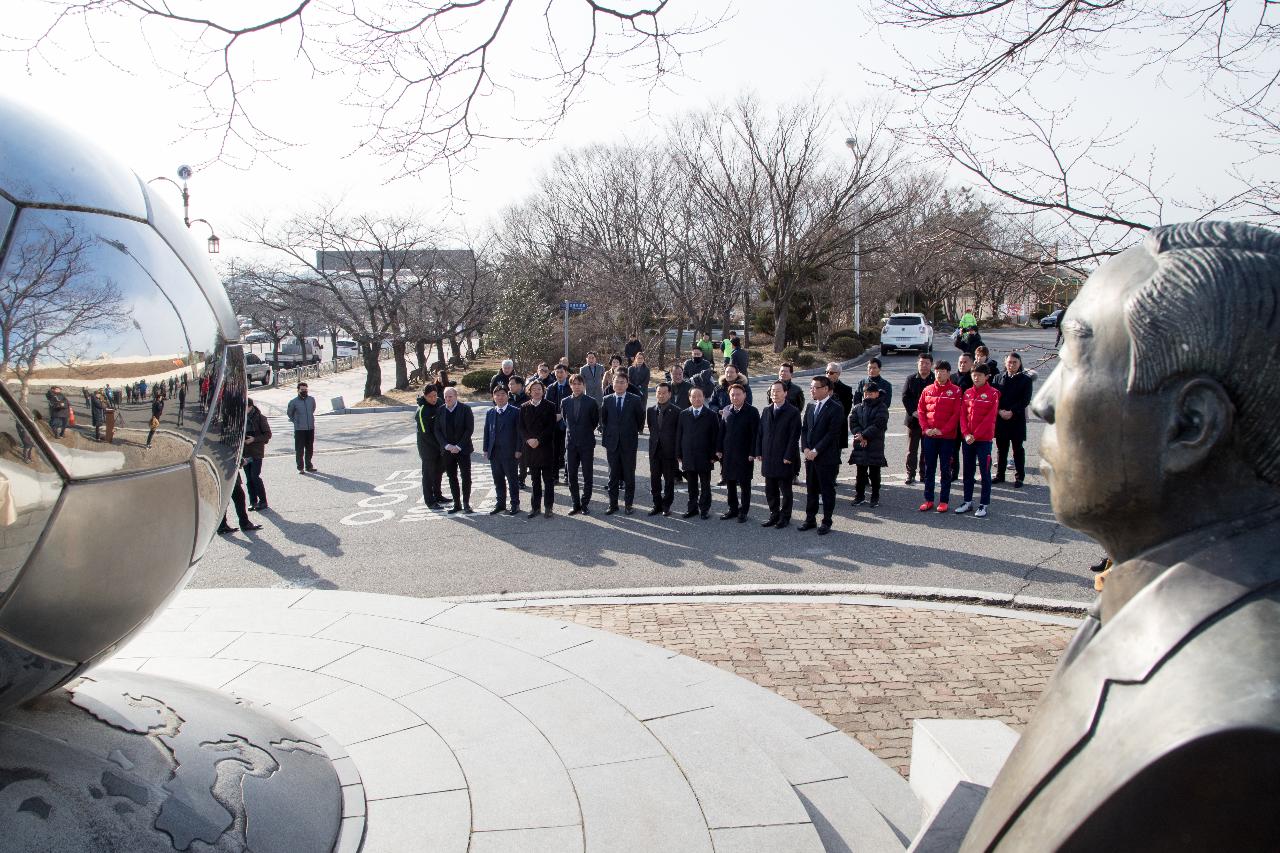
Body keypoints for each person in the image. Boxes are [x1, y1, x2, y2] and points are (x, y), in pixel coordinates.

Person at [798, 375, 844, 535]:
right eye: (811, 387)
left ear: (826, 389)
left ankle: (826, 521)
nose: (812, 390)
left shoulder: (836, 408)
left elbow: (832, 434)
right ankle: (810, 519)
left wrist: (816, 451)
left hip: (826, 457)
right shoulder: (810, 406)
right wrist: (805, 448)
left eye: (815, 387)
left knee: (827, 490)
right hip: (809, 456)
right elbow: (804, 429)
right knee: (811, 489)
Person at [917, 360, 963, 512]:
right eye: (937, 371)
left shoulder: (956, 391)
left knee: (945, 469)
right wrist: (926, 429)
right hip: (929, 436)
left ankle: (944, 500)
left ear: (948, 373)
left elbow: (956, 414)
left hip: (947, 437)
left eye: (943, 371)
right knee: (929, 468)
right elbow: (921, 411)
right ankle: (928, 499)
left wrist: (942, 430)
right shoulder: (927, 390)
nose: (939, 374)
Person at [955, 364, 999, 518]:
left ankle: (983, 504)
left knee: (984, 473)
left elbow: (990, 418)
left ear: (987, 377)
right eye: (974, 374)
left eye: (980, 375)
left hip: (984, 440)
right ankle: (967, 501)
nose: (976, 377)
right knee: (968, 471)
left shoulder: (993, 394)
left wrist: (976, 434)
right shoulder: (967, 393)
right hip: (968, 440)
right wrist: (966, 433)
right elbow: (962, 416)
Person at [756, 380, 802, 528]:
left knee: (785, 491)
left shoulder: (793, 412)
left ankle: (785, 517)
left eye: (778, 391)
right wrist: (758, 452)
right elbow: (760, 433)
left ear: (785, 393)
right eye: (772, 391)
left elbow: (794, 436)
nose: (774, 394)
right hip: (768, 457)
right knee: (770, 490)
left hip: (784, 458)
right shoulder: (766, 410)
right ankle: (773, 514)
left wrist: (789, 456)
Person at [599, 372, 645, 514]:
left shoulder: (635, 399)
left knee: (629, 475)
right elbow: (604, 420)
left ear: (627, 383)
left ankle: (628, 505)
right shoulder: (607, 399)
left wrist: (630, 432)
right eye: (616, 382)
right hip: (612, 443)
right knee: (613, 476)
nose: (618, 384)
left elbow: (640, 420)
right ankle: (613, 505)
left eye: (622, 382)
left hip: (629, 443)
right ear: (612, 384)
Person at [992, 352, 1035, 488]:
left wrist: (1012, 411)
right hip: (1001, 418)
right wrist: (999, 411)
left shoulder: (1026, 380)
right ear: (1005, 363)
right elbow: (994, 398)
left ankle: (1019, 477)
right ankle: (1000, 475)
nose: (1011, 365)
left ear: (1020, 363)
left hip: (1016, 419)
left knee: (1018, 449)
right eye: (1009, 362)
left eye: (1014, 362)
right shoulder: (998, 378)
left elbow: (1025, 400)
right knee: (1001, 449)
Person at [718, 384, 759, 522]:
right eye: (732, 395)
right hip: (728, 453)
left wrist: (753, 452)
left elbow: (756, 435)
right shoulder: (726, 410)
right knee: (730, 483)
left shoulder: (752, 411)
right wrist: (719, 449)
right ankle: (732, 509)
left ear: (744, 395)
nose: (735, 397)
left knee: (744, 484)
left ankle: (744, 511)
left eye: (738, 394)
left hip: (745, 454)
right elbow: (722, 431)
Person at [677, 387, 719, 519]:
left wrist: (714, 456)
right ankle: (692, 508)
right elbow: (679, 435)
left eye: (699, 396)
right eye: (693, 396)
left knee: (705, 485)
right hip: (688, 455)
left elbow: (715, 437)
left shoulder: (711, 415)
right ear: (689, 398)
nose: (696, 399)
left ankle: (704, 509)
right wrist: (679, 454)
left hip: (705, 456)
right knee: (691, 485)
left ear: (704, 397)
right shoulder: (683, 414)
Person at [560, 374, 599, 515]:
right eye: (573, 384)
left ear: (583, 385)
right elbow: (565, 420)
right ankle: (575, 503)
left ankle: (585, 503)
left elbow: (594, 421)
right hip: (570, 444)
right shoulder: (565, 402)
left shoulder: (591, 402)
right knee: (571, 475)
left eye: (579, 384)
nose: (576, 386)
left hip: (587, 443)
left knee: (587, 475)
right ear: (570, 385)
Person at [518, 379, 557, 518]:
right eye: (533, 389)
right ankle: (535, 507)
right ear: (529, 391)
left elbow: (551, 427)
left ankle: (548, 507)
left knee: (548, 480)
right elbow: (521, 427)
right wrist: (528, 439)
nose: (536, 391)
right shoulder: (524, 407)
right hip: (530, 448)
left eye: (539, 389)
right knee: (535, 480)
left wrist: (538, 440)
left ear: (543, 391)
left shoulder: (550, 406)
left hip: (545, 447)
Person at [848, 382, 889, 508]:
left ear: (877, 394)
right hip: (860, 444)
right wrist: (860, 435)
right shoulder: (857, 407)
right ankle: (859, 496)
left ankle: (874, 497)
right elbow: (853, 422)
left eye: (870, 393)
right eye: (866, 393)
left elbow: (879, 425)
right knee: (860, 473)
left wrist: (864, 436)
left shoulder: (882, 407)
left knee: (874, 473)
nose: (867, 396)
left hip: (875, 444)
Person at [483, 385, 521, 515]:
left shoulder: (515, 411)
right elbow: (487, 432)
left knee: (512, 480)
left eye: (503, 394)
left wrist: (518, 449)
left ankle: (515, 504)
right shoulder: (490, 412)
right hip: (494, 452)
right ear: (493, 397)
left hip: (510, 452)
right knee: (498, 479)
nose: (500, 397)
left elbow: (519, 433)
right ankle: (500, 503)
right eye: (497, 395)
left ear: (507, 396)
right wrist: (485, 449)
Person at [436, 386, 474, 514]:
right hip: (447, 451)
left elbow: (469, 429)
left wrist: (458, 446)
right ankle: (457, 504)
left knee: (466, 477)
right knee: (452, 477)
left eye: (450, 396)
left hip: (462, 450)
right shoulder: (440, 410)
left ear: (456, 396)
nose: (447, 399)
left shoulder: (465, 409)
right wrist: (446, 445)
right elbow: (437, 430)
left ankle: (466, 503)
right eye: (445, 396)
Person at [646, 382, 680, 515]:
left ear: (670, 394)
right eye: (659, 393)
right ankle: (657, 505)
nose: (661, 395)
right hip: (654, 450)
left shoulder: (677, 411)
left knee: (669, 481)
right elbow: (652, 429)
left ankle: (666, 506)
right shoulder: (650, 410)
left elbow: (678, 434)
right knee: (655, 479)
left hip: (669, 452)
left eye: (664, 393)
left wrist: (678, 453)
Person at [902, 353, 933, 485]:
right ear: (917, 364)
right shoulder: (910, 379)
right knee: (912, 450)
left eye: (927, 363)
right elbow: (905, 397)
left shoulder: (935, 380)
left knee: (927, 450)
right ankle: (910, 474)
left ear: (931, 365)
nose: (924, 365)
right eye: (921, 363)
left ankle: (924, 474)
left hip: (930, 421)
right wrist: (914, 412)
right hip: (913, 420)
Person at [415, 386, 445, 507]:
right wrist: (439, 445)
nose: (433, 399)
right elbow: (425, 433)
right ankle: (429, 500)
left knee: (438, 472)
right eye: (430, 396)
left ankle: (438, 495)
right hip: (427, 447)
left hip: (440, 445)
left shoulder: (439, 402)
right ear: (425, 396)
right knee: (428, 474)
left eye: (434, 395)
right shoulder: (422, 411)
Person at [949, 352, 976, 480]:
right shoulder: (951, 378)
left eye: (965, 362)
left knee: (969, 450)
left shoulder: (975, 379)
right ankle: (953, 473)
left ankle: (969, 475)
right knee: (953, 449)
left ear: (972, 363)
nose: (962, 364)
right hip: (953, 420)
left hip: (969, 420)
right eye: (960, 362)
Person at [545, 364, 573, 482]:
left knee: (567, 451)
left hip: (569, 423)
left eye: (561, 372)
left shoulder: (571, 386)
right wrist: (554, 416)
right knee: (554, 451)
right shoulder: (551, 387)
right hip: (554, 423)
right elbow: (547, 405)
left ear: (566, 373)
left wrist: (561, 414)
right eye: (557, 372)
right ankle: (555, 476)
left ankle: (567, 475)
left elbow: (573, 403)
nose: (559, 375)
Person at [244, 397, 271, 511]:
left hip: (256, 452)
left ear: (250, 407)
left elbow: (267, 435)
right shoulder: (240, 419)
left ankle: (263, 501)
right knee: (249, 478)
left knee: (255, 476)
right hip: (245, 453)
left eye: (244, 406)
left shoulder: (260, 418)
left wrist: (254, 439)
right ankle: (253, 501)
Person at [287, 381, 318, 473]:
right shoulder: (293, 402)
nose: (304, 391)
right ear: (298, 390)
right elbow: (290, 413)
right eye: (302, 390)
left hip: (310, 428)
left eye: (305, 389)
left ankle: (309, 466)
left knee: (310, 448)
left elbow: (313, 409)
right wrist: (297, 421)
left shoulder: (311, 400)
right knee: (299, 449)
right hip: (299, 429)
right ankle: (300, 468)